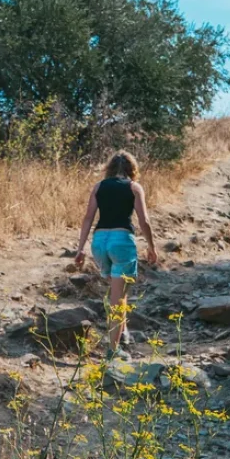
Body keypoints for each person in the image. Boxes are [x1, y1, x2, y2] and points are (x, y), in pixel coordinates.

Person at [73, 151, 158, 353]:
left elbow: (88, 217)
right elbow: (144, 220)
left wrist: (80, 248)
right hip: (121, 242)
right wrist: (151, 247)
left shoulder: (99, 187)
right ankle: (113, 350)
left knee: (116, 289)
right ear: (132, 169)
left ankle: (122, 331)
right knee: (118, 299)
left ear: (109, 169)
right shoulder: (134, 187)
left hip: (99, 243)